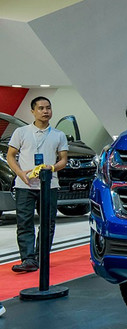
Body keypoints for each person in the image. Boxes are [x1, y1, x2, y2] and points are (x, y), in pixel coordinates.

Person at [6, 97, 69, 273]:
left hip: (49, 185)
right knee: (24, 222)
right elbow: (11, 155)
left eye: (48, 108)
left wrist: (52, 168)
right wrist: (20, 173)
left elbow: (63, 160)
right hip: (24, 185)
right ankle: (28, 259)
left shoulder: (58, 135)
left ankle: (41, 257)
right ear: (33, 111)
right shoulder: (21, 132)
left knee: (48, 223)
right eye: (41, 108)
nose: (45, 111)